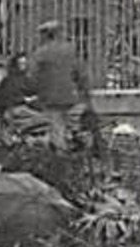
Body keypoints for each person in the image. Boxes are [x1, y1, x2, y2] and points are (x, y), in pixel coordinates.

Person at [27, 20, 92, 150]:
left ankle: (60, 154)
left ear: (46, 35)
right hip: (70, 93)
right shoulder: (70, 49)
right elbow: (80, 71)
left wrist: (32, 92)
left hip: (50, 96)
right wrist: (84, 89)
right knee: (68, 122)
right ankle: (73, 144)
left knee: (56, 124)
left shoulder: (40, 53)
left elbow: (32, 75)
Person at [0, 53, 34, 118]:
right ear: (15, 64)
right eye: (21, 63)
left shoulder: (23, 78)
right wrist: (26, 99)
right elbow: (7, 97)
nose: (23, 66)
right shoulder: (10, 79)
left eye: (25, 63)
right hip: (12, 109)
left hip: (15, 109)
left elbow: (30, 90)